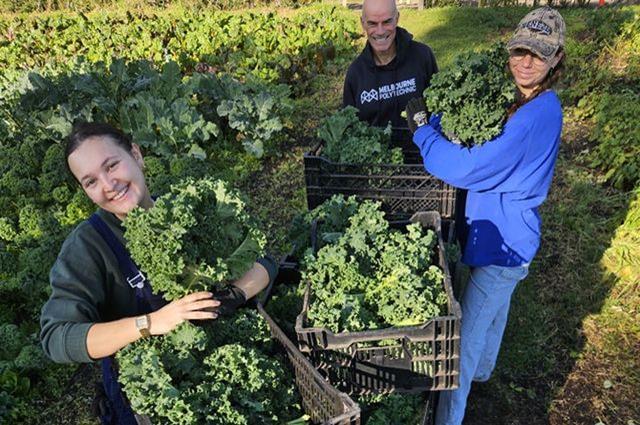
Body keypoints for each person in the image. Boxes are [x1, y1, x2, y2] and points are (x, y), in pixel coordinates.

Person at [40, 122, 277, 423]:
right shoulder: (88, 246)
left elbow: (264, 262)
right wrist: (151, 323)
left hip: (222, 369)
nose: (108, 185)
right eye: (90, 182)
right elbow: (56, 337)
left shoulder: (185, 210)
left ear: (136, 155)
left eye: (111, 165)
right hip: (153, 402)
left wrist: (234, 294)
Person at [404, 6, 566, 425]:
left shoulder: (532, 117)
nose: (526, 61)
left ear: (557, 59)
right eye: (519, 50)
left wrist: (423, 131)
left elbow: (466, 168)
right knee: (495, 311)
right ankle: (485, 373)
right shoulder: (534, 101)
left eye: (538, 54)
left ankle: (449, 417)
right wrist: (442, 123)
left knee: (463, 342)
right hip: (511, 236)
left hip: (504, 246)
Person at [342, 0, 438, 128]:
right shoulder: (356, 73)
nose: (380, 31)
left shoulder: (422, 56)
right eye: (372, 24)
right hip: (375, 148)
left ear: (397, 18)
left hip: (421, 146)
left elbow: (439, 108)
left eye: (387, 22)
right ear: (363, 23)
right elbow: (349, 127)